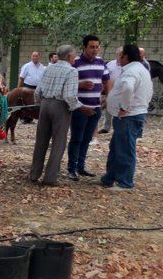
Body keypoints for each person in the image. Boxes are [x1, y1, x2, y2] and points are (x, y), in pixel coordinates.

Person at [29, 45, 93, 186]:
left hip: (45, 105)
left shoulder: (49, 68)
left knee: (41, 141)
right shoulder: (71, 71)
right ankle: (50, 178)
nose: (75, 58)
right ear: (69, 57)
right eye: (74, 55)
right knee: (58, 143)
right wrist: (81, 107)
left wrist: (41, 104)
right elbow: (69, 95)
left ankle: (34, 174)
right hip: (60, 106)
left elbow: (37, 91)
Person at [100, 44, 153, 191]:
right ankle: (109, 177)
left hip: (128, 116)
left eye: (121, 56)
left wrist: (124, 107)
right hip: (134, 114)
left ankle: (125, 182)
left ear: (127, 57)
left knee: (124, 149)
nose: (119, 59)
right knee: (117, 147)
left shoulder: (131, 72)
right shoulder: (141, 69)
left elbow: (128, 88)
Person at [66, 35, 107, 181]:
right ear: (84, 47)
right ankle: (71, 169)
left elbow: (106, 81)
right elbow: (66, 83)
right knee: (76, 139)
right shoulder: (74, 63)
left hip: (96, 108)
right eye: (92, 47)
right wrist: (79, 85)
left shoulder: (101, 63)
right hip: (80, 108)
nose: (95, 50)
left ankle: (81, 166)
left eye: (97, 47)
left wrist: (106, 96)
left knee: (87, 139)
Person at [99, 47, 124, 134]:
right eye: (119, 54)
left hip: (122, 91)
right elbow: (105, 77)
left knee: (119, 110)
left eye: (122, 54)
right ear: (116, 55)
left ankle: (117, 128)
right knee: (108, 109)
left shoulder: (126, 65)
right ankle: (106, 127)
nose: (120, 56)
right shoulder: (110, 64)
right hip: (110, 90)